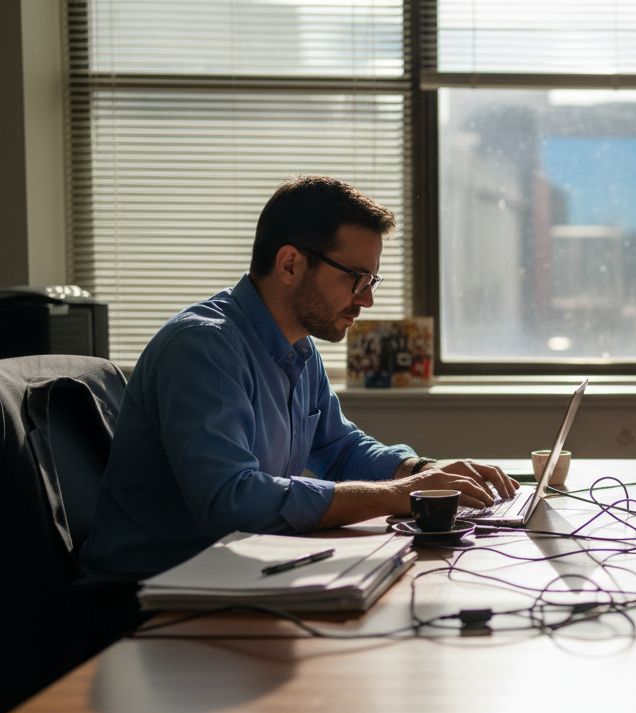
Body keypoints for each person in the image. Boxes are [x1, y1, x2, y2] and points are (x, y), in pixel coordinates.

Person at [81, 176, 518, 579]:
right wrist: (401, 493)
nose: (366, 299)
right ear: (289, 264)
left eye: (372, 281)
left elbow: (340, 448)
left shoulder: (297, 347)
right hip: (147, 600)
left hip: (233, 573)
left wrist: (424, 472)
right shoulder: (203, 348)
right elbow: (230, 502)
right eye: (355, 279)